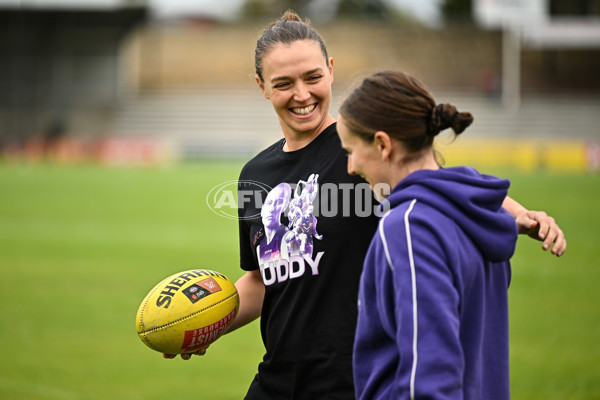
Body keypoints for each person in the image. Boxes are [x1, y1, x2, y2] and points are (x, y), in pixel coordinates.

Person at [165, 10, 567, 400]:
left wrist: (520, 215)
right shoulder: (257, 173)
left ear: (332, 70)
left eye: (313, 77)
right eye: (284, 82)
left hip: (353, 381)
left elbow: (439, 185)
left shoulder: (364, 151)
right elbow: (264, 277)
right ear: (262, 86)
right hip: (279, 379)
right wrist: (208, 323)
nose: (302, 94)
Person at [336, 70, 520, 399]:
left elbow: (430, 370)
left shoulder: (409, 227)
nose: (350, 167)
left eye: (351, 150)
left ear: (382, 144)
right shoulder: (478, 214)